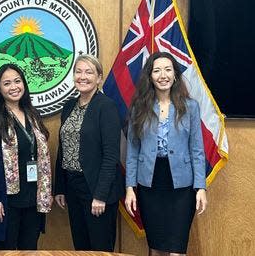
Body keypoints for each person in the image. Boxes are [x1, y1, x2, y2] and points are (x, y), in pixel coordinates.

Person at [125, 52, 208, 256]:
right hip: (150, 185)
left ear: (175, 75)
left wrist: (200, 187)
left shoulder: (190, 107)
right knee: (156, 247)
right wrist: (130, 187)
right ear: (150, 76)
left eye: (168, 69)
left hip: (182, 187)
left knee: (177, 248)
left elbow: (197, 150)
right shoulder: (139, 107)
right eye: (157, 70)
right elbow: (132, 150)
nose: (163, 75)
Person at [54, 54, 124, 251]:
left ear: (99, 78)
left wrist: (100, 195)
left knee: (99, 248)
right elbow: (63, 148)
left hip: (96, 188)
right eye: (78, 71)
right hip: (73, 186)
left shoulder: (106, 106)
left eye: (89, 72)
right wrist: (60, 187)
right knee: (81, 247)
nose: (82, 76)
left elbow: (111, 156)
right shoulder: (69, 106)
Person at [0, 63, 52, 250]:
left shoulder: (33, 115)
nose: (14, 87)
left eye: (18, 81)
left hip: (32, 199)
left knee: (30, 250)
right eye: (7, 83)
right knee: (6, 251)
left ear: (24, 85)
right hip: (6, 201)